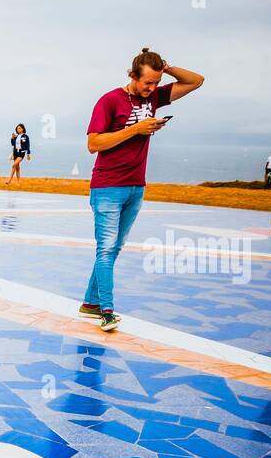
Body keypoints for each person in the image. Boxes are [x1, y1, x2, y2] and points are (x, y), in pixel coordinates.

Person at [81, 48, 204, 332]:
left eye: (156, 83)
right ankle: (106, 310)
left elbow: (196, 81)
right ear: (133, 75)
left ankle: (90, 302)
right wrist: (136, 129)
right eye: (147, 82)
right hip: (108, 186)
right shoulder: (109, 100)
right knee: (106, 248)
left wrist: (166, 68)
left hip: (136, 185)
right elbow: (94, 144)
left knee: (114, 248)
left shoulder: (155, 96)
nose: (152, 89)